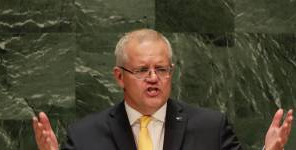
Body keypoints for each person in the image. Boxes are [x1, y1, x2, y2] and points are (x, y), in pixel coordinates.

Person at [33, 29, 294, 150]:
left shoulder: (210, 128)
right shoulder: (85, 136)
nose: (153, 78)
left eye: (162, 69)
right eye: (142, 70)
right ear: (119, 77)